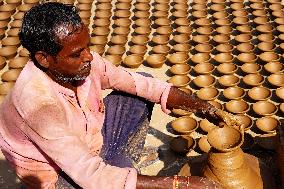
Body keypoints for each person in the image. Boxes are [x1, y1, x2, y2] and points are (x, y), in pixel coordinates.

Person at [0, 2, 240, 189]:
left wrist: (204, 108)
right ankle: (121, 167)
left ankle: (121, 162)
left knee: (142, 86)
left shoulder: (84, 64)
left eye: (87, 47)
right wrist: (180, 183)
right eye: (76, 53)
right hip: (60, 174)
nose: (89, 57)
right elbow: (92, 176)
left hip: (87, 142)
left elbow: (140, 84)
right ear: (44, 58)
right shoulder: (38, 107)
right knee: (114, 178)